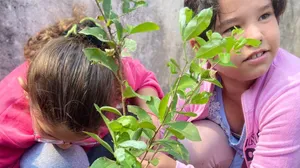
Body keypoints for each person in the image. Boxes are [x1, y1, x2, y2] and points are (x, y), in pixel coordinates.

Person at [143, 0, 300, 167]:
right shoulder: (199, 79)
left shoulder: (290, 92)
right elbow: (162, 131)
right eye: (232, 29)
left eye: (264, 16)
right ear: (201, 47)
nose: (255, 36)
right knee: (197, 144)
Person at [0, 14, 163, 168]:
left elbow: (144, 80)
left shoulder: (114, 77)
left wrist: (152, 119)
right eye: (50, 135)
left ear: (114, 96)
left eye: (84, 138)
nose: (65, 145)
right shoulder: (7, 123)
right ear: (27, 94)